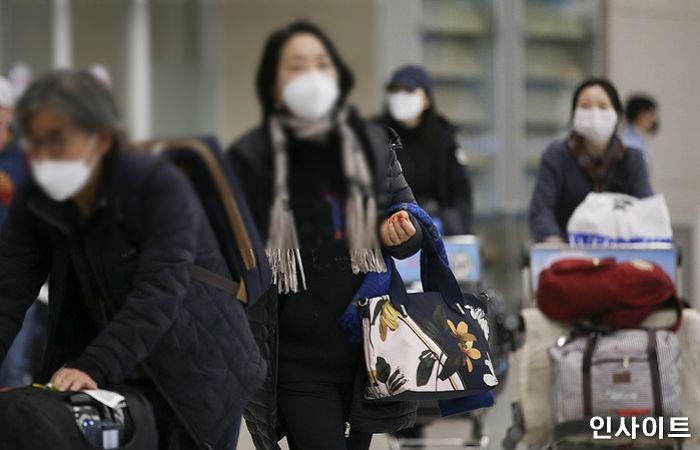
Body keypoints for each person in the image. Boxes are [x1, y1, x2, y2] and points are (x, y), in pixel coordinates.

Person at [0, 70, 265, 449]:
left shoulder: (156, 185)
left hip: (196, 369)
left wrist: (92, 365)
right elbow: (7, 290)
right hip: (108, 372)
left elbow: (159, 291)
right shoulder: (38, 197)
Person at [228, 21, 423, 450]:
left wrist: (400, 234)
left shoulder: (373, 146)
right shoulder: (253, 160)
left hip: (369, 353)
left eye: (321, 64)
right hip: (297, 359)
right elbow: (229, 250)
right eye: (297, 66)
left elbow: (409, 225)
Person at [529, 77, 653, 243]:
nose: (594, 113)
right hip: (567, 255)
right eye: (585, 106)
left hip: (622, 255)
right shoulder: (557, 155)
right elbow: (542, 210)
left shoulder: (632, 158)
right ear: (574, 114)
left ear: (617, 114)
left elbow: (645, 210)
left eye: (603, 106)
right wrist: (555, 245)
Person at [377, 65, 473, 235]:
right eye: (395, 90)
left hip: (437, 229)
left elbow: (461, 194)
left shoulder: (444, 138)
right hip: (390, 229)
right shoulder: (376, 134)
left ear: (427, 98)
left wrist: (452, 225)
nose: (400, 97)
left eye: (409, 90)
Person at [621, 94, 658, 165]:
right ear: (641, 115)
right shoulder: (627, 142)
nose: (654, 119)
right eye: (652, 114)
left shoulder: (639, 140)